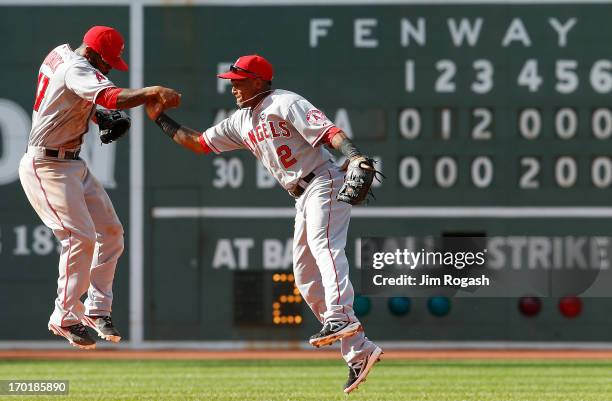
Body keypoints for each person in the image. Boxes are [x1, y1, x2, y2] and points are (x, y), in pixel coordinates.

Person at [147, 54, 382, 393]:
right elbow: (198, 144)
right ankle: (359, 350)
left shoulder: (286, 102)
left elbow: (329, 131)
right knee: (303, 277)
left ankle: (342, 315)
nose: (233, 88)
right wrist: (160, 118)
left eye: (239, 81)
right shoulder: (241, 121)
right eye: (232, 82)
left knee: (324, 246)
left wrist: (355, 154)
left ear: (259, 81)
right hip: (301, 196)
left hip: (323, 181)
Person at [19, 26, 180, 349]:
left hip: (72, 162)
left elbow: (74, 97)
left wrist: (99, 116)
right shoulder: (77, 67)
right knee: (79, 237)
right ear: (91, 53)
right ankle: (63, 316)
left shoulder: (61, 54)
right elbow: (107, 94)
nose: (107, 69)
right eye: (106, 63)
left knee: (110, 232)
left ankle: (96, 310)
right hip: (46, 165)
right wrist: (151, 92)